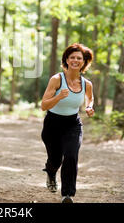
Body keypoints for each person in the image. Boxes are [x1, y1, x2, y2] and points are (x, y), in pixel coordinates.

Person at [40, 43, 95, 203]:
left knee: (71, 155)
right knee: (56, 160)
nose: (75, 60)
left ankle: (67, 194)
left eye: (79, 58)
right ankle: (51, 172)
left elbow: (90, 98)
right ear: (67, 59)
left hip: (73, 124)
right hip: (52, 124)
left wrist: (90, 106)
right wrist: (58, 97)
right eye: (72, 57)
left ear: (84, 62)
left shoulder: (86, 84)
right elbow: (44, 105)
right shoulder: (57, 79)